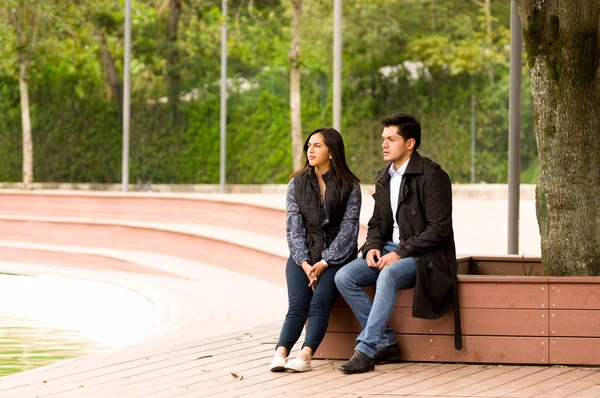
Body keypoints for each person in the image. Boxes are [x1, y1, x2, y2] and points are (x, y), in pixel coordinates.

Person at [334, 112, 462, 374]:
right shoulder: (385, 176)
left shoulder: (432, 175)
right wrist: (371, 246)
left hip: (425, 256)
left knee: (389, 275)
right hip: (392, 250)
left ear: (410, 143)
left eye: (391, 139)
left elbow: (440, 229)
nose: (383, 144)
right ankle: (386, 342)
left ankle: (366, 350)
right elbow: (377, 222)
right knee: (344, 276)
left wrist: (401, 252)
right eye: (383, 139)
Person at [269, 127, 361, 373]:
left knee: (319, 302)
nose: (311, 150)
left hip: (337, 259)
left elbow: (349, 230)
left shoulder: (350, 186)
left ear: (332, 151)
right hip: (303, 257)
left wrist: (324, 263)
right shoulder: (296, 183)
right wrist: (305, 262)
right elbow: (293, 227)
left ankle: (306, 355)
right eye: (309, 145)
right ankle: (280, 353)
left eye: (317, 145)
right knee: (297, 304)